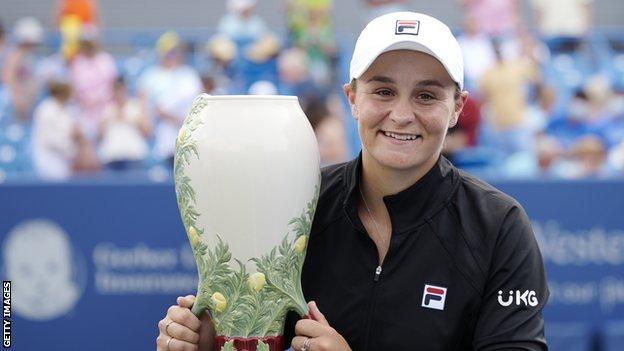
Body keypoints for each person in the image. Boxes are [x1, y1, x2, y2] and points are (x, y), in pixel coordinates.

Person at [157, 11, 549, 351]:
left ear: (457, 108)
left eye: (426, 96)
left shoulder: (499, 226)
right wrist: (209, 342)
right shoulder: (296, 204)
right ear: (352, 98)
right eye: (383, 91)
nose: (401, 114)